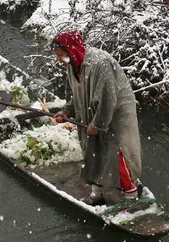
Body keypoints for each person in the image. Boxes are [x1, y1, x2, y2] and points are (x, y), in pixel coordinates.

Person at [50, 30, 142, 204]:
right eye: (57, 55)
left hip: (116, 113)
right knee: (92, 150)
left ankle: (131, 195)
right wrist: (67, 111)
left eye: (60, 55)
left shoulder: (101, 63)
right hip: (92, 111)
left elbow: (108, 99)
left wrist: (98, 124)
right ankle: (97, 191)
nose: (58, 60)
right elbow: (75, 93)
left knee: (118, 153)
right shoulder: (73, 65)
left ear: (72, 50)